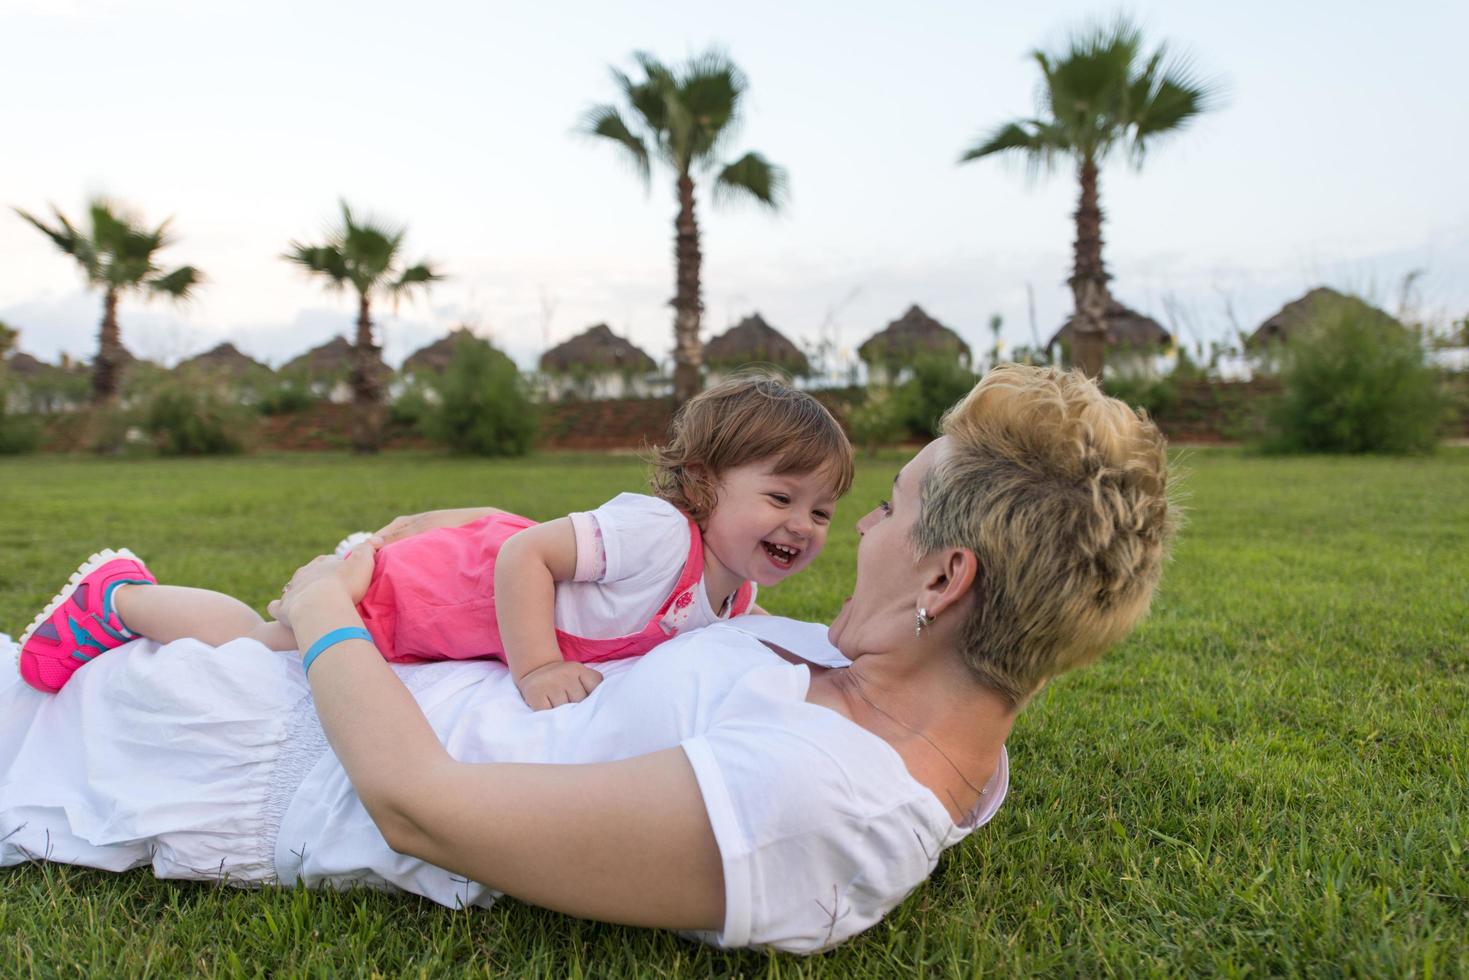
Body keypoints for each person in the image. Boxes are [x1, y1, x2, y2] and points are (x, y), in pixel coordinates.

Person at [0, 365, 1173, 954]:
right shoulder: (880, 679)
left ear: (945, 580)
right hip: (314, 688)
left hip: (254, 753)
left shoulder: (818, 801)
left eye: (893, 507)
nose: (856, 527)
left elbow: (419, 806)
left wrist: (321, 609)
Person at [13, 375, 852, 708]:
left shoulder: (734, 590)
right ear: (705, 484)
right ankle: (118, 597)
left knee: (283, 642)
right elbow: (525, 554)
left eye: (821, 512)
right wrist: (538, 669)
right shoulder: (659, 531)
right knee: (274, 647)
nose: (801, 527)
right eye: (781, 497)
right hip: (429, 591)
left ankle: (130, 600)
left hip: (452, 607)